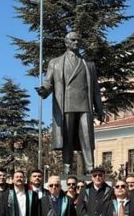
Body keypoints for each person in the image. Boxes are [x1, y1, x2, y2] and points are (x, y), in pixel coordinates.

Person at [36, 32, 106, 174]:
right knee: (66, 138)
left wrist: (99, 109)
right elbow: (48, 82)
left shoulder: (89, 64)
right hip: (65, 105)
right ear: (66, 42)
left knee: (87, 138)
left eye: (78, 40)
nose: (76, 42)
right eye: (73, 40)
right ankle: (67, 167)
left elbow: (95, 90)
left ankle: (90, 168)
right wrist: (44, 91)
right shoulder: (55, 63)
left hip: (85, 105)